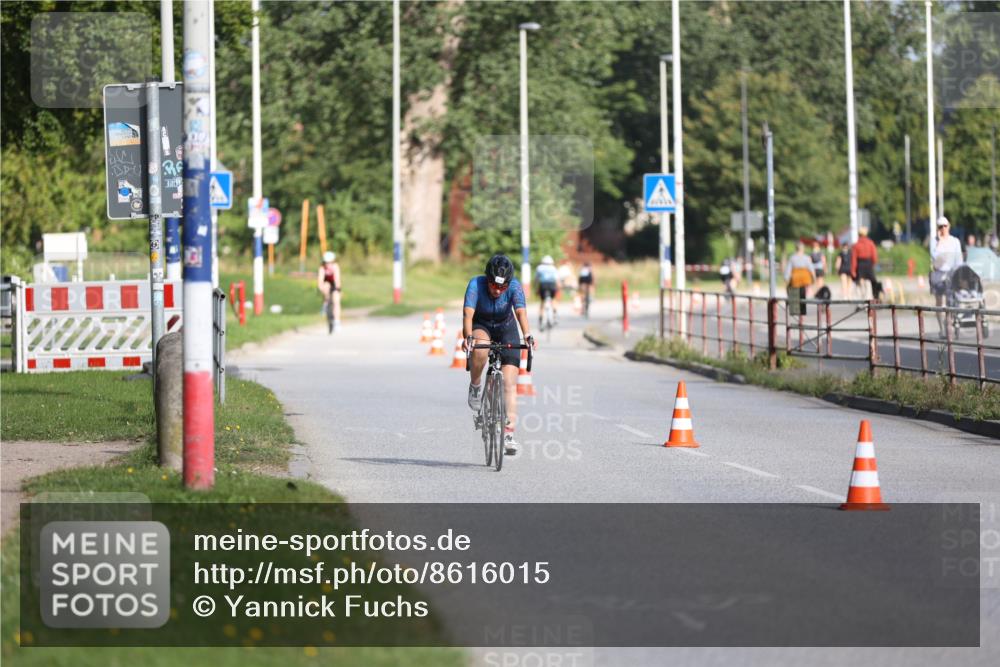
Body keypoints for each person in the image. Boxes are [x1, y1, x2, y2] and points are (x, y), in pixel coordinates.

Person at [463, 254, 536, 456]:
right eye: (494, 285)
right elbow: (468, 314)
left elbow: (521, 313)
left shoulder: (515, 287)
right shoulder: (475, 285)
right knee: (481, 348)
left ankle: (509, 434)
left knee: (509, 383)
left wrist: (527, 335)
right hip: (482, 325)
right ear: (487, 279)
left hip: (506, 327)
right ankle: (475, 385)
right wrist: (468, 337)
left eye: (502, 287)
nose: (497, 290)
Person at [930, 216, 963, 336]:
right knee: (940, 302)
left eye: (945, 226)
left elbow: (959, 259)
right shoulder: (934, 241)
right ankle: (942, 328)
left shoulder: (955, 241)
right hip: (938, 273)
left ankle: (949, 324)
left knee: (951, 301)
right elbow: (935, 257)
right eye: (940, 226)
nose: (943, 228)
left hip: (951, 273)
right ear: (937, 228)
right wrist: (940, 242)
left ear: (949, 226)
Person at [784, 242, 815, 312]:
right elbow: (811, 269)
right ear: (803, 249)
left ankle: (794, 310)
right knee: (802, 297)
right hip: (805, 280)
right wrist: (814, 278)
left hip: (795, 280)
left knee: (792, 292)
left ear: (796, 249)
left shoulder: (792, 258)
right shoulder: (806, 258)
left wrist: (786, 279)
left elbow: (788, 270)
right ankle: (802, 311)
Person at [316, 251, 342, 331]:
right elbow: (320, 280)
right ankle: (326, 303)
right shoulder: (322, 268)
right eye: (326, 262)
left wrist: (338, 289)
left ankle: (337, 321)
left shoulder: (335, 266)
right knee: (326, 285)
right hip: (326, 283)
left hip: (334, 283)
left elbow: (337, 279)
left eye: (330, 262)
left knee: (336, 301)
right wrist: (321, 289)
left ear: (333, 261)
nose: (328, 264)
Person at [851, 227, 878, 300]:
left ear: (859, 234)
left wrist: (853, 270)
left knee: (861, 281)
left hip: (860, 264)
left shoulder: (856, 245)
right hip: (868, 263)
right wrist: (873, 264)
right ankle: (868, 297)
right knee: (868, 281)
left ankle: (862, 298)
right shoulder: (870, 243)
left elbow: (854, 259)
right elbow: (874, 256)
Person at [534, 255, 560, 326]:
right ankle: (555, 315)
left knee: (542, 302)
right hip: (552, 285)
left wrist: (536, 288)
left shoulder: (539, 268)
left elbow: (536, 280)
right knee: (553, 299)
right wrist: (558, 288)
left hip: (543, 285)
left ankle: (540, 319)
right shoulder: (553, 268)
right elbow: (557, 280)